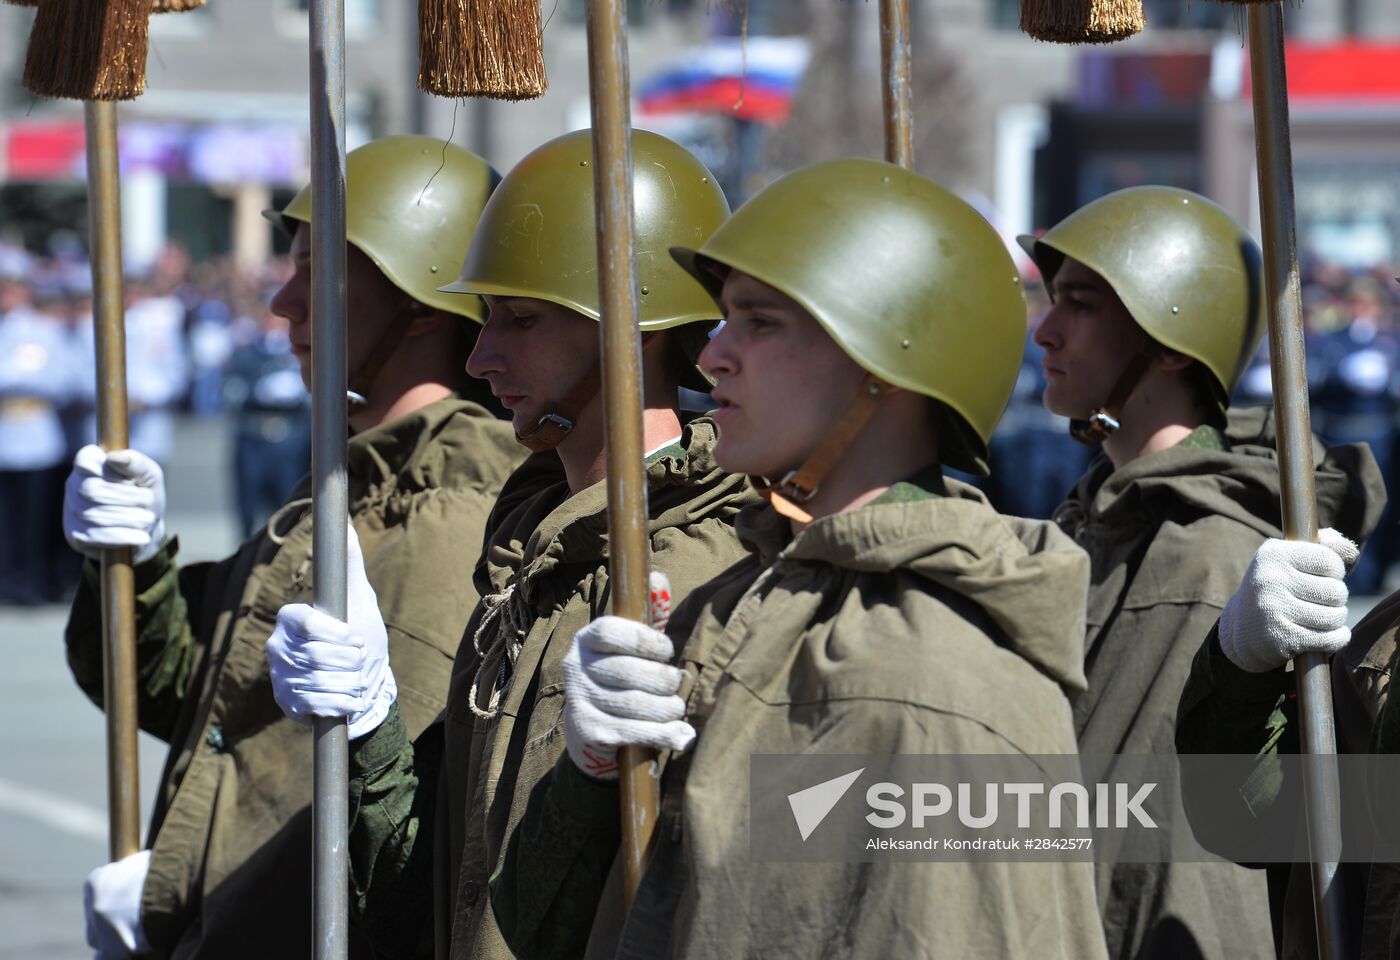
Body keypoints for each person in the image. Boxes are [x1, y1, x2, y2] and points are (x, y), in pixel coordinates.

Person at [489, 158, 1108, 958]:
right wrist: (587, 773)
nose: (712, 357)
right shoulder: (736, 600)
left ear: (882, 366)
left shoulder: (938, 681)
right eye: (726, 320)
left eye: (760, 322)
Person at [263, 129, 758, 960]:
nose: (483, 355)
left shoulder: (705, 567)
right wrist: (371, 725)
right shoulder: (532, 548)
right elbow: (443, 883)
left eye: (521, 320)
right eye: (485, 317)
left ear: (634, 333)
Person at [64, 135, 521, 960]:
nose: (285, 303)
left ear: (421, 303)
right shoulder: (349, 476)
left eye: (321, 271)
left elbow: (393, 846)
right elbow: (189, 699)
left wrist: (207, 910)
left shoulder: (449, 519)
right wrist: (126, 567)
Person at [1020, 185, 1383, 960]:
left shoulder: (1209, 555)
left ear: (1169, 341)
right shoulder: (1097, 520)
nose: (1045, 331)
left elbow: (1171, 864)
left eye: (1079, 305)